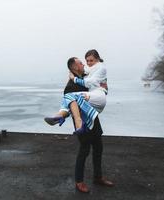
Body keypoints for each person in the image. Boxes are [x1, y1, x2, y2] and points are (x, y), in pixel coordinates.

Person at [45, 50, 114, 193]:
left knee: (98, 148)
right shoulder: (70, 86)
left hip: (94, 118)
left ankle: (98, 177)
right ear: (75, 67)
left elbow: (97, 81)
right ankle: (79, 181)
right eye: (81, 63)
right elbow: (69, 104)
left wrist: (104, 86)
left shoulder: (86, 76)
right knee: (84, 151)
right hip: (82, 124)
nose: (84, 64)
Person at [45, 50, 108, 133]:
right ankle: (60, 117)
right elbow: (86, 73)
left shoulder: (100, 68)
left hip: (97, 97)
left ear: (97, 59)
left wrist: (74, 78)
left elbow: (90, 82)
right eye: (86, 61)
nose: (87, 63)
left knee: (69, 96)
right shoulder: (88, 72)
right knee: (68, 97)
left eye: (91, 60)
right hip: (89, 106)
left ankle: (64, 118)